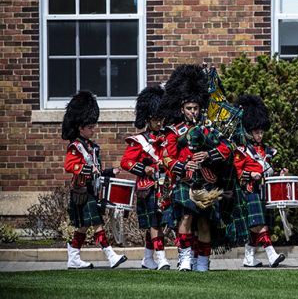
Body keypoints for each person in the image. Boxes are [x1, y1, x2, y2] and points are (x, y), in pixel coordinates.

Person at [160, 64, 231, 272]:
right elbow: (166, 158)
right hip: (185, 180)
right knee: (186, 217)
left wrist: (209, 154)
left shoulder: (208, 129)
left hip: (206, 180)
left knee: (204, 222)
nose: (193, 112)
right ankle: (184, 258)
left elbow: (227, 149)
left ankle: (203, 261)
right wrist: (183, 165)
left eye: (196, 108)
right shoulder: (174, 131)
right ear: (182, 109)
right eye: (189, 108)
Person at [61, 90, 127, 269]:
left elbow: (96, 171)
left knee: (83, 226)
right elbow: (70, 166)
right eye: (90, 127)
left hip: (92, 189)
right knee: (97, 223)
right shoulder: (75, 147)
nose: (93, 129)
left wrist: (110, 171)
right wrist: (88, 169)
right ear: (80, 127)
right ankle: (110, 255)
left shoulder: (92, 147)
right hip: (82, 191)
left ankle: (73, 257)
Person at [119, 85, 172, 270]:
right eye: (156, 119)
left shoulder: (167, 137)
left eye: (161, 119)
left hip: (164, 186)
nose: (159, 123)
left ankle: (147, 259)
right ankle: (161, 257)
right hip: (148, 186)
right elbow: (126, 163)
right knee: (155, 223)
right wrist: (145, 169)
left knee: (156, 223)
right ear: (148, 119)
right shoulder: (139, 141)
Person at [234, 94, 287, 268]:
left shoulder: (267, 150)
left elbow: (269, 170)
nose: (260, 135)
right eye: (257, 132)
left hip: (264, 190)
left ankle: (249, 257)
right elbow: (236, 171)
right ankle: (271, 255)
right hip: (249, 190)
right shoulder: (242, 151)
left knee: (257, 225)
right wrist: (250, 175)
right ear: (249, 131)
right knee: (259, 223)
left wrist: (280, 173)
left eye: (261, 131)